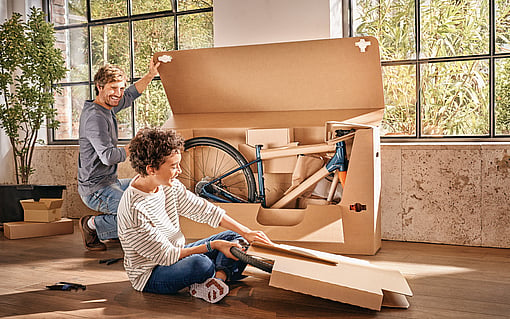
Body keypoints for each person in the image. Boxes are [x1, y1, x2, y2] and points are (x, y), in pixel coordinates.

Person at [117, 128, 273, 303]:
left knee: (237, 238)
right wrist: (214, 245)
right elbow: (167, 256)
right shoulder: (134, 210)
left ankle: (217, 280)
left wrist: (246, 232)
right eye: (174, 166)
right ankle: (220, 273)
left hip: (178, 254)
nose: (180, 171)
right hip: (152, 273)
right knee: (201, 264)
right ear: (151, 169)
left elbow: (204, 210)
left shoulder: (169, 185)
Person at [78, 58, 160, 251]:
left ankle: (117, 227)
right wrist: (135, 143)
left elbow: (131, 94)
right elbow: (108, 156)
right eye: (113, 88)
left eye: (120, 88)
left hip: (110, 180)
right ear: (99, 87)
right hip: (95, 189)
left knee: (146, 192)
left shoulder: (108, 106)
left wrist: (150, 75)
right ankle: (91, 226)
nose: (118, 94)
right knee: (134, 214)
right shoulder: (95, 118)